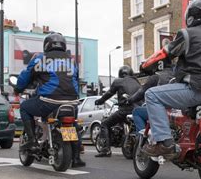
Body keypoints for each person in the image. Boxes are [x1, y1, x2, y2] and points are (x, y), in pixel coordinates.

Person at [138, 0, 201, 157]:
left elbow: (166, 52)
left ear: (190, 17)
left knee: (152, 95)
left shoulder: (187, 34)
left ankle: (164, 142)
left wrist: (145, 65)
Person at [15, 32, 85, 168]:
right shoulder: (72, 61)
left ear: (46, 45)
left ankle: (32, 141)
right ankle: (76, 158)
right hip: (72, 103)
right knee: (73, 125)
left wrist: (18, 88)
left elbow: (25, 77)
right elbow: (76, 80)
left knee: (24, 108)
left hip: (49, 102)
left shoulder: (40, 59)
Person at [94, 65, 141, 157]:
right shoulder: (136, 81)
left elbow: (109, 93)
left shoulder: (118, 81)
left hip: (125, 110)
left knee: (104, 124)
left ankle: (105, 150)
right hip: (137, 110)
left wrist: (100, 101)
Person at [126, 55, 175, 133]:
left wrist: (129, 100)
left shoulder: (156, 77)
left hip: (161, 110)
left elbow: (141, 93)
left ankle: (142, 138)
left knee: (136, 111)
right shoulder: (175, 75)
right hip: (175, 111)